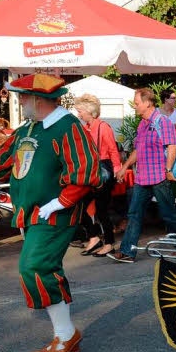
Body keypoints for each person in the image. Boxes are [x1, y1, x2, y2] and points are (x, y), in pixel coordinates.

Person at [0, 74, 100, 352]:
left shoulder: (68, 127)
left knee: (35, 266)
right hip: (34, 212)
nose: (20, 102)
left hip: (55, 213)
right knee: (41, 267)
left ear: (38, 99)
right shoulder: (29, 128)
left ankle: (67, 334)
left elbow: (87, 172)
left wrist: (58, 202)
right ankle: (64, 335)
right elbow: (1, 162)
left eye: (23, 97)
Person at [108, 88, 176, 263]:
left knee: (169, 214)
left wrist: (169, 170)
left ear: (148, 103)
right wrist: (124, 166)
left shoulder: (161, 122)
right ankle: (127, 252)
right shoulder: (143, 123)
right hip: (143, 178)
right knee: (134, 213)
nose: (135, 107)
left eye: (137, 103)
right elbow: (138, 150)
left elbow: (172, 146)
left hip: (159, 176)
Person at [74, 94, 121, 258]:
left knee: (101, 209)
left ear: (89, 111)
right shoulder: (86, 127)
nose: (78, 114)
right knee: (81, 205)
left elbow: (113, 150)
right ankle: (94, 238)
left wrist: (117, 169)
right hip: (90, 170)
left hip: (103, 169)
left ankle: (109, 243)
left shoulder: (103, 127)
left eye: (80, 111)